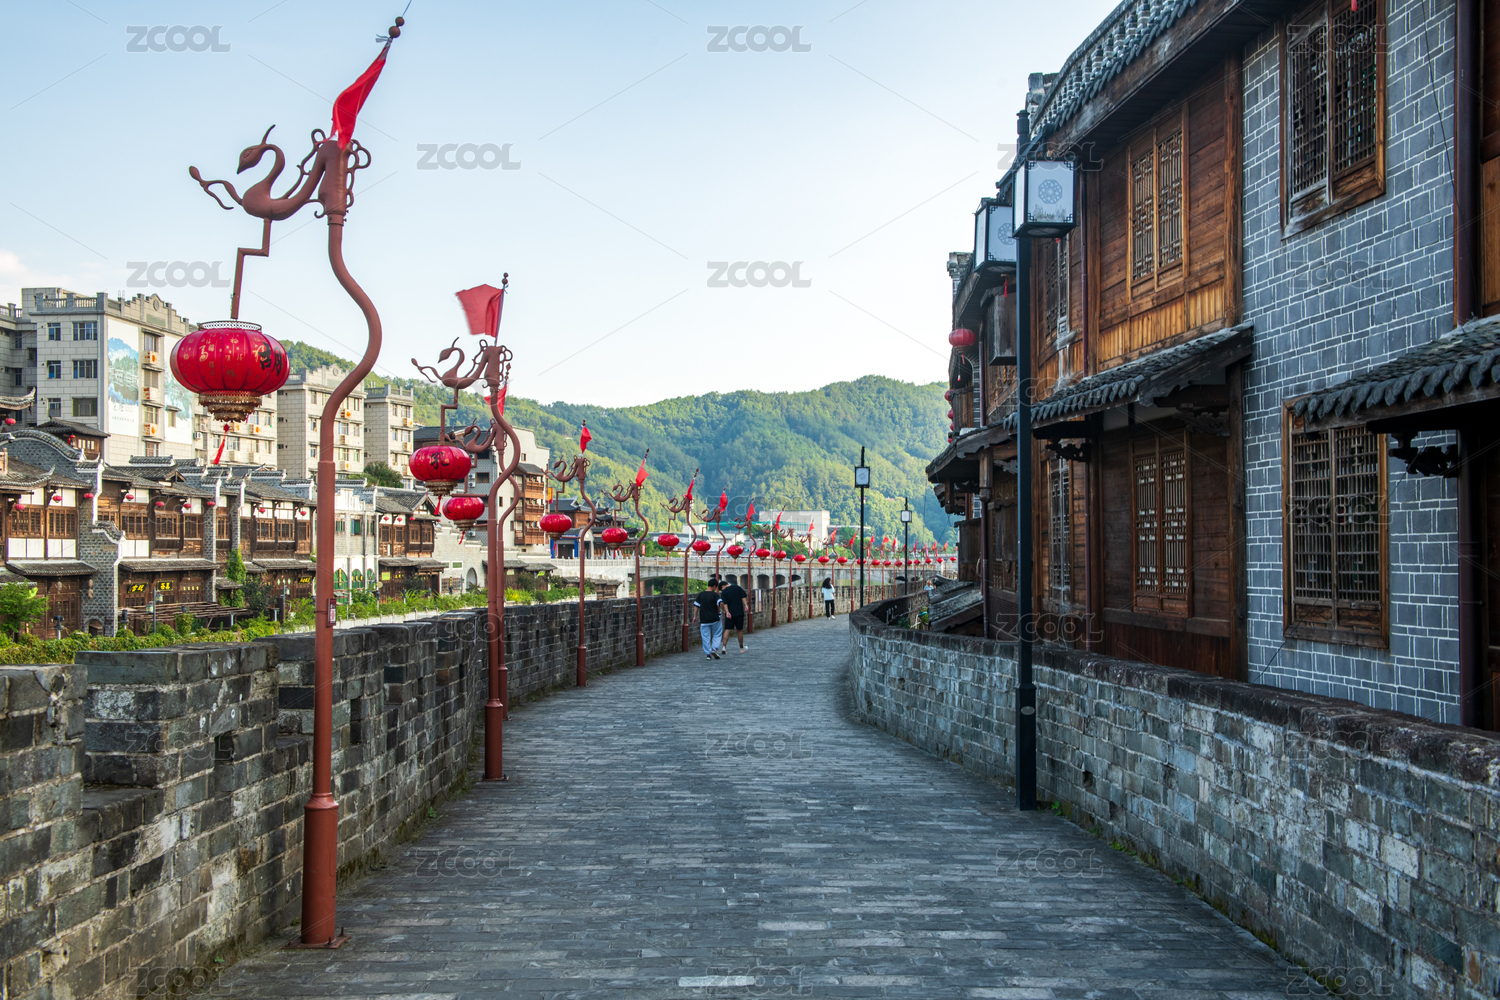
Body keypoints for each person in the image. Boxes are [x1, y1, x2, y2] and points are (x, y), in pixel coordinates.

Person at [694, 579, 725, 660]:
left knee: (705, 637)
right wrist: (723, 610)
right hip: (714, 618)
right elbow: (721, 603)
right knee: (717, 633)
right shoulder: (715, 595)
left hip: (704, 619)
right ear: (714, 586)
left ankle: (708, 654)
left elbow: (696, 606)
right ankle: (714, 648)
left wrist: (695, 616)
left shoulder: (701, 594)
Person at [719, 575, 748, 650]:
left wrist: (727, 612)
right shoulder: (737, 587)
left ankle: (724, 647)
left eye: (721, 589)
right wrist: (746, 605)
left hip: (730, 613)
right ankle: (741, 647)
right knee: (739, 630)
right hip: (739, 612)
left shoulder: (724, 592)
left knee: (727, 629)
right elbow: (743, 596)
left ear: (723, 586)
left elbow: (725, 603)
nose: (722, 590)